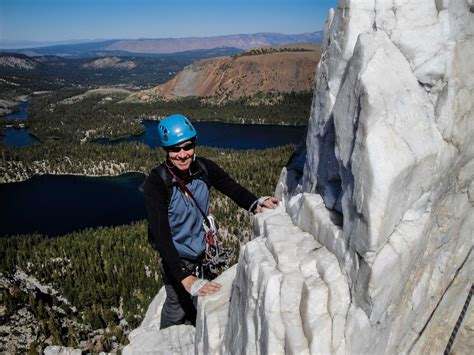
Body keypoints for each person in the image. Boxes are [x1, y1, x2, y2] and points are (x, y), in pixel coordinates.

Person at [143, 114, 278, 329]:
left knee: (197, 302)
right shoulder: (157, 183)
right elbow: (160, 234)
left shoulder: (203, 169)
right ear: (166, 151)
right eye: (174, 149)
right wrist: (183, 277)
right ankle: (167, 341)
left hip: (201, 254)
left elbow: (230, 186)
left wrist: (255, 203)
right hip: (177, 259)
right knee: (176, 304)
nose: (182, 155)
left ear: (194, 145)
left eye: (187, 147)